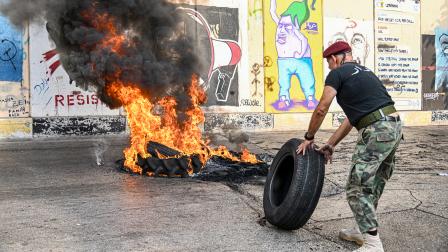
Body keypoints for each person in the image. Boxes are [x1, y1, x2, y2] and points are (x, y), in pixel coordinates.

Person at [297, 41, 403, 252]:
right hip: (394, 126)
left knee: (356, 187)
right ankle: (360, 229)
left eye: (329, 62)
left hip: (376, 130)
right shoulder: (365, 72)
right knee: (373, 184)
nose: (329, 67)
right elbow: (351, 118)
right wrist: (330, 144)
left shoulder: (337, 74)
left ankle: (373, 245)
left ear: (336, 58)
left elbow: (322, 107)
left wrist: (309, 136)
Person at [270, 0, 317, 110]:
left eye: (287, 26)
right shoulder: (281, 25)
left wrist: (300, 54)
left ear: (296, 23)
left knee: (307, 80)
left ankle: (310, 98)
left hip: (302, 61)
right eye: (281, 24)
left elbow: (304, 40)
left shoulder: (295, 29)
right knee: (283, 82)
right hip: (284, 60)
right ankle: (284, 98)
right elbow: (272, 12)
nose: (282, 29)